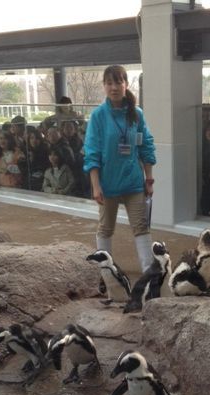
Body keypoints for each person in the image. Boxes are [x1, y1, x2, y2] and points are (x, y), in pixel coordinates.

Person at [83, 64, 156, 272]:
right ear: (104, 86)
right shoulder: (98, 116)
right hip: (108, 184)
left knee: (141, 227)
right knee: (106, 228)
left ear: (126, 84)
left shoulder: (137, 114)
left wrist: (149, 179)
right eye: (109, 83)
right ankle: (105, 272)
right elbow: (92, 152)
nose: (114, 87)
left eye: (118, 82)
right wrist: (96, 186)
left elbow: (146, 146)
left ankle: (149, 274)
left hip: (134, 182)